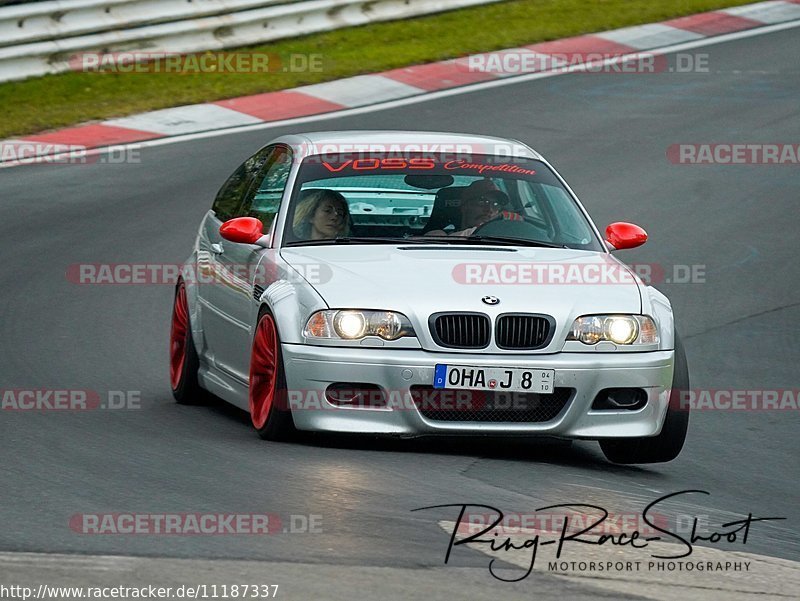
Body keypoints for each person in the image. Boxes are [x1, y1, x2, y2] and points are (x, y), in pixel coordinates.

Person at [426, 179, 509, 236]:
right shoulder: (437, 237)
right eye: (482, 202)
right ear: (465, 206)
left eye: (495, 204)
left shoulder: (510, 239)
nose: (489, 210)